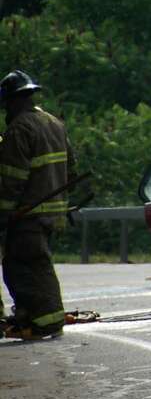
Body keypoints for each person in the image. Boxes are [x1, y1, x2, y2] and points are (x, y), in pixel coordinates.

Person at [0, 70, 75, 340]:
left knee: (24, 267)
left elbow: (12, 179)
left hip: (28, 214)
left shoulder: (20, 129)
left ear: (14, 100)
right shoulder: (54, 123)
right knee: (35, 265)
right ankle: (32, 316)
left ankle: (46, 321)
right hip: (52, 213)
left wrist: (4, 213)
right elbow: (71, 169)